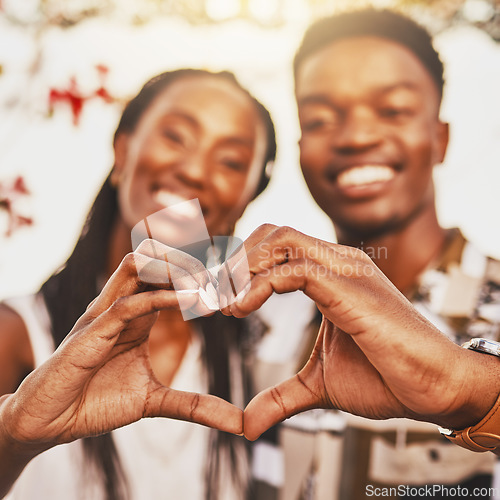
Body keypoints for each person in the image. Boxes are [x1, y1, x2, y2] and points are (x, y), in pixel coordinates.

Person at [229, 9, 500, 500]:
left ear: (440, 138)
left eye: (393, 110)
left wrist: (473, 392)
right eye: (320, 119)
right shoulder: (259, 319)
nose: (355, 137)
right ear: (300, 147)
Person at [0, 68, 276, 500]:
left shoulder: (256, 351)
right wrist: (13, 439)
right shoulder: (17, 333)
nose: (194, 171)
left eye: (231, 162)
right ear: (123, 151)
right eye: (176, 137)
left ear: (248, 197)